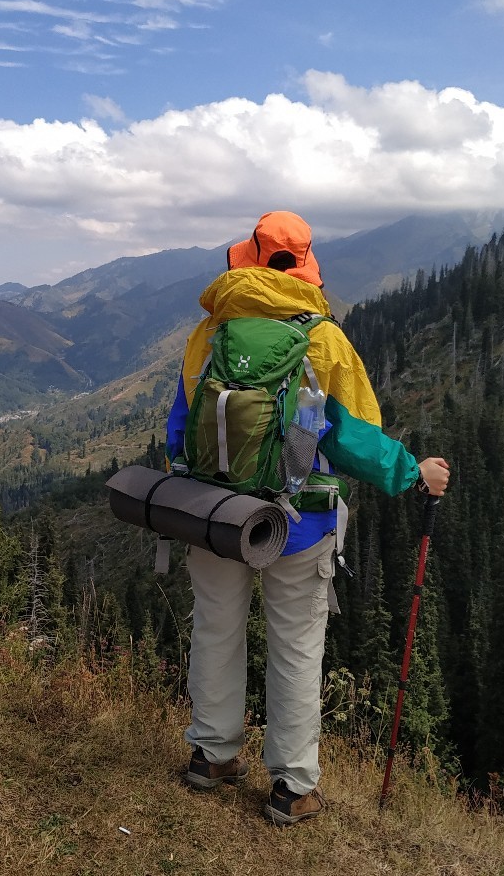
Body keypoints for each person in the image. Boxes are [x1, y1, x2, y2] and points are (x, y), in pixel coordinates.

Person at [164, 209, 451, 825]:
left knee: (217, 628)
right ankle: (292, 788)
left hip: (217, 515)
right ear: (303, 264)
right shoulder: (322, 338)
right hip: (297, 522)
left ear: (250, 258)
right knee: (295, 647)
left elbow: (180, 429)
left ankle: (211, 756)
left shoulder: (211, 331)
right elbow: (350, 435)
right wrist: (411, 473)